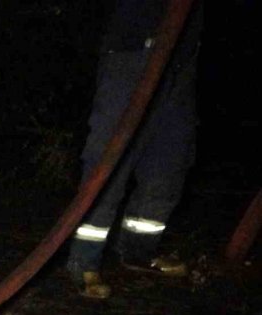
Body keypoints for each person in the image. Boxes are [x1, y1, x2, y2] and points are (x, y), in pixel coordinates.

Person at [67, 0, 203, 299]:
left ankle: (138, 252)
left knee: (169, 161)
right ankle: (84, 259)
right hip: (133, 49)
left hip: (181, 60)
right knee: (111, 157)